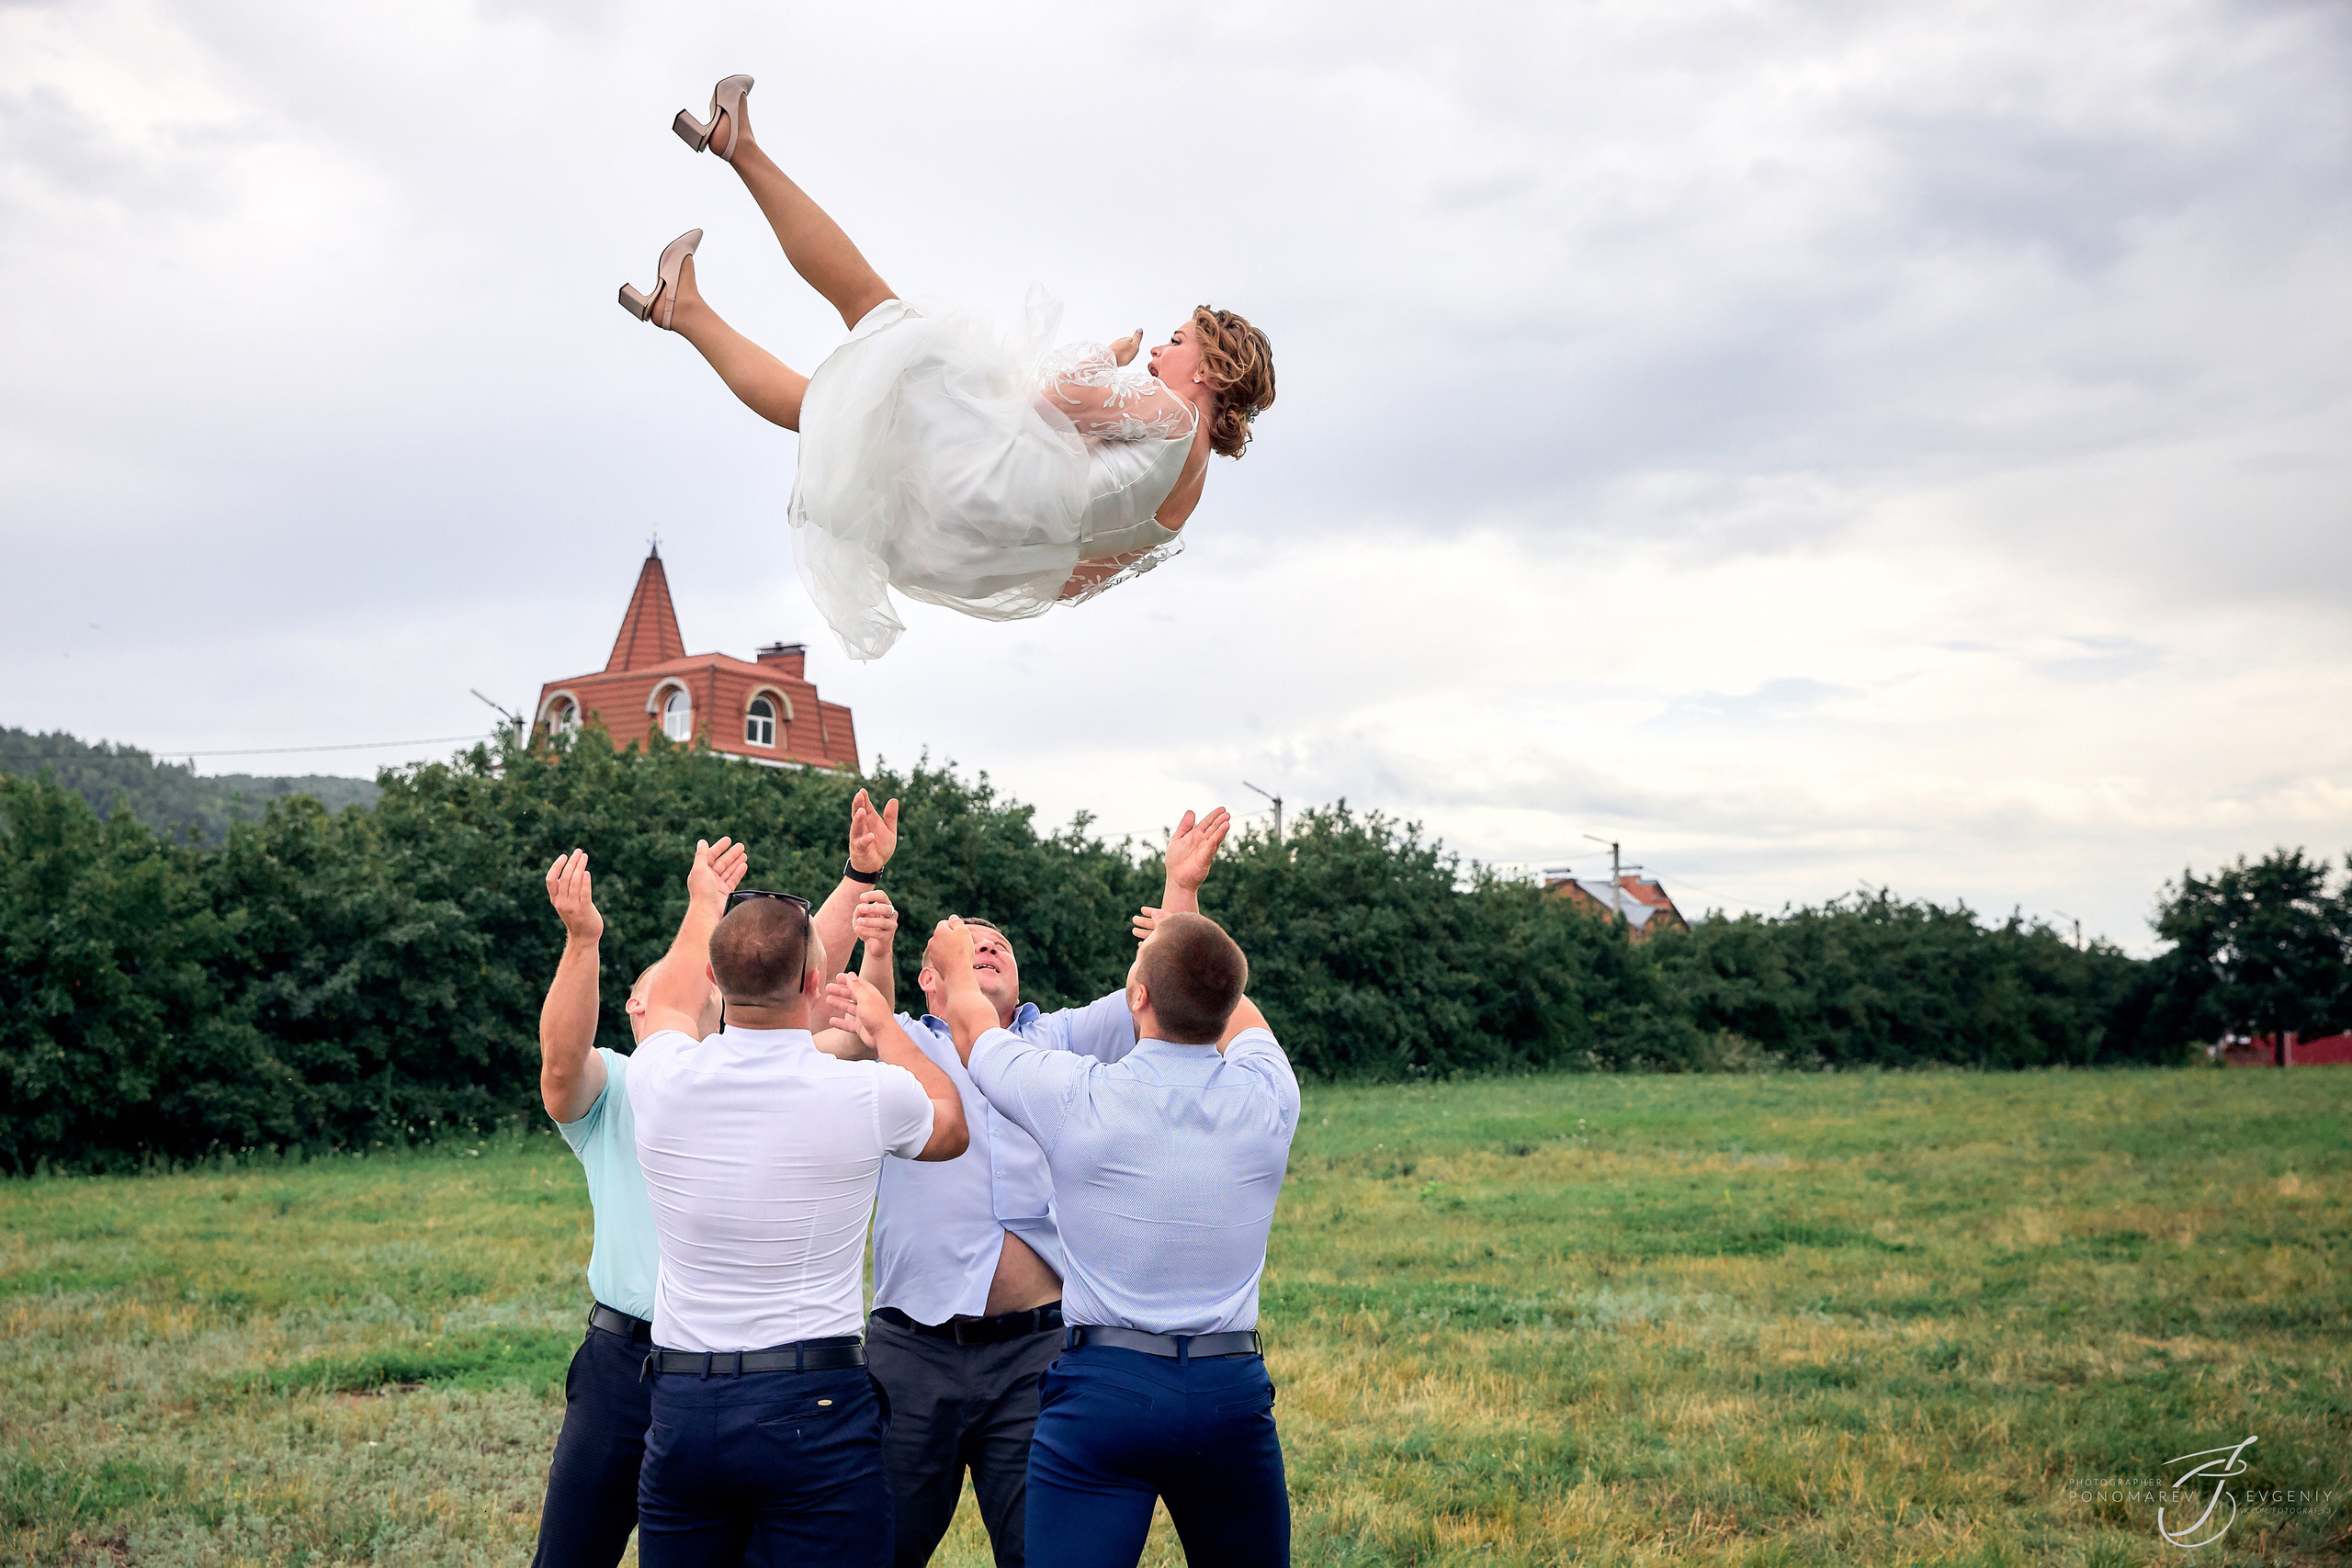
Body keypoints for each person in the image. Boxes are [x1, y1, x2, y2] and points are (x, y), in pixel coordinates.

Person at [615, 73, 1278, 661]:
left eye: (1177, 340)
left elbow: (1053, 398)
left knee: (876, 310)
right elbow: (1078, 580)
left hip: (984, 467)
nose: (1159, 350)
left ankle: (738, 146)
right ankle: (682, 310)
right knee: (822, 410)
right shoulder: (1186, 502)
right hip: (970, 535)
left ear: (1211, 372)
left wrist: (1111, 355)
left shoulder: (1172, 413)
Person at [813, 807, 1233, 1567]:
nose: (988, 945)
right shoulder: (900, 1043)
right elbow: (842, 1018)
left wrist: (1180, 887)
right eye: (969, 943)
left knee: (1044, 1552)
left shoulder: (1058, 1039)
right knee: (875, 1547)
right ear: (930, 978)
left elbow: (1165, 990)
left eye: (999, 944)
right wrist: (873, 935)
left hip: (1038, 1349)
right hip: (913, 1349)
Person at [528, 836, 900, 1568]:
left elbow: (793, 962)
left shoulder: (760, 1075)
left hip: (740, 1378)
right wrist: (581, 942)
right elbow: (561, 1067)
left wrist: (857, 876)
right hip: (626, 1366)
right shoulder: (625, 1083)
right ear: (639, 1004)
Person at [924, 882, 1298, 1568]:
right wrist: (1186, 920)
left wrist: (953, 963)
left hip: (1105, 1388)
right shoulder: (1271, 1091)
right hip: (1229, 1388)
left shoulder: (1078, 1092)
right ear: (1227, 1006)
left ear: (1138, 998)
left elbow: (976, 1034)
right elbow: (1237, 1010)